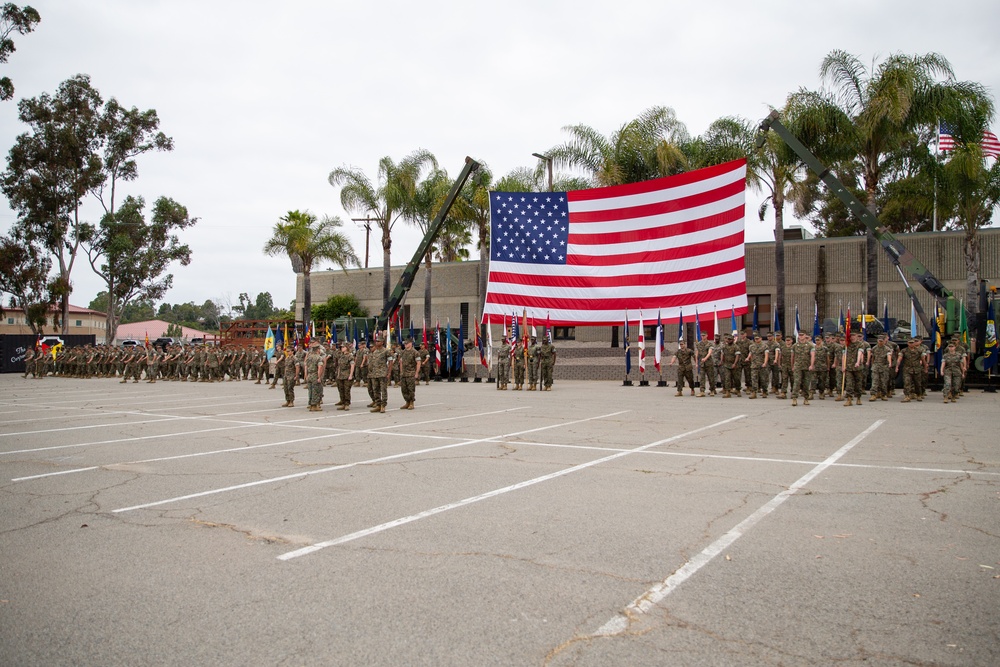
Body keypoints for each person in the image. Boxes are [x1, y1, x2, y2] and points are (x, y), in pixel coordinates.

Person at [789, 331, 815, 406]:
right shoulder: (795, 346)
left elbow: (813, 355)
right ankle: (794, 398)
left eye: (802, 335)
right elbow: (792, 357)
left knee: (806, 383)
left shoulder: (810, 345)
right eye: (799, 335)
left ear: (805, 336)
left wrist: (811, 365)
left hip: (807, 367)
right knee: (797, 382)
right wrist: (792, 366)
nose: (801, 337)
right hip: (798, 366)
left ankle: (806, 398)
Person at [367, 338, 390, 412]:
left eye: (378, 341)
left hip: (382, 373)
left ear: (382, 342)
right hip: (374, 374)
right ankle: (378, 405)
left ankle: (383, 405)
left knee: (383, 390)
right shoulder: (375, 351)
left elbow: (391, 361)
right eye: (376, 341)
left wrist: (389, 372)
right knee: (375, 390)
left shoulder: (386, 351)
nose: (376, 342)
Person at [398, 338, 421, 409]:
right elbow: (401, 362)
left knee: (411, 389)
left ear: (411, 343)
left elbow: (418, 363)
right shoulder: (403, 352)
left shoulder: (415, 352)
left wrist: (417, 373)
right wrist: (401, 371)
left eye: (406, 343)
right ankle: (407, 402)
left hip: (411, 373)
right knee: (403, 389)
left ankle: (411, 402)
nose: (405, 345)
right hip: (404, 373)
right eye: (404, 344)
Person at [745, 334, 769, 399]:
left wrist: (765, 363)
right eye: (755, 339)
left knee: (763, 379)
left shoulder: (765, 346)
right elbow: (751, 353)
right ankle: (754, 392)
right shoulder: (752, 346)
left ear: (761, 338)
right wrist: (748, 358)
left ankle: (764, 391)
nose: (756, 340)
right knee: (753, 379)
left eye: (758, 338)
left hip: (762, 365)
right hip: (754, 365)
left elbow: (766, 355)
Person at [304, 341, 326, 412]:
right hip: (315, 375)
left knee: (310, 390)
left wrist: (306, 375)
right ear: (318, 350)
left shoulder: (309, 357)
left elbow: (306, 366)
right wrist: (319, 377)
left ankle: (310, 404)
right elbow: (320, 367)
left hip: (310, 375)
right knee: (316, 390)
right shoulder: (318, 358)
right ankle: (315, 405)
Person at [336, 341, 355, 410]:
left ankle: (347, 404)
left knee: (346, 390)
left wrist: (351, 375)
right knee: (341, 390)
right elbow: (339, 366)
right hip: (341, 375)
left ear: (347, 348)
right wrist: (338, 374)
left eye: (343, 347)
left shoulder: (350, 355)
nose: (342, 348)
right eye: (341, 347)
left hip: (347, 375)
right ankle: (343, 403)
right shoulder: (341, 356)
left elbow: (352, 365)